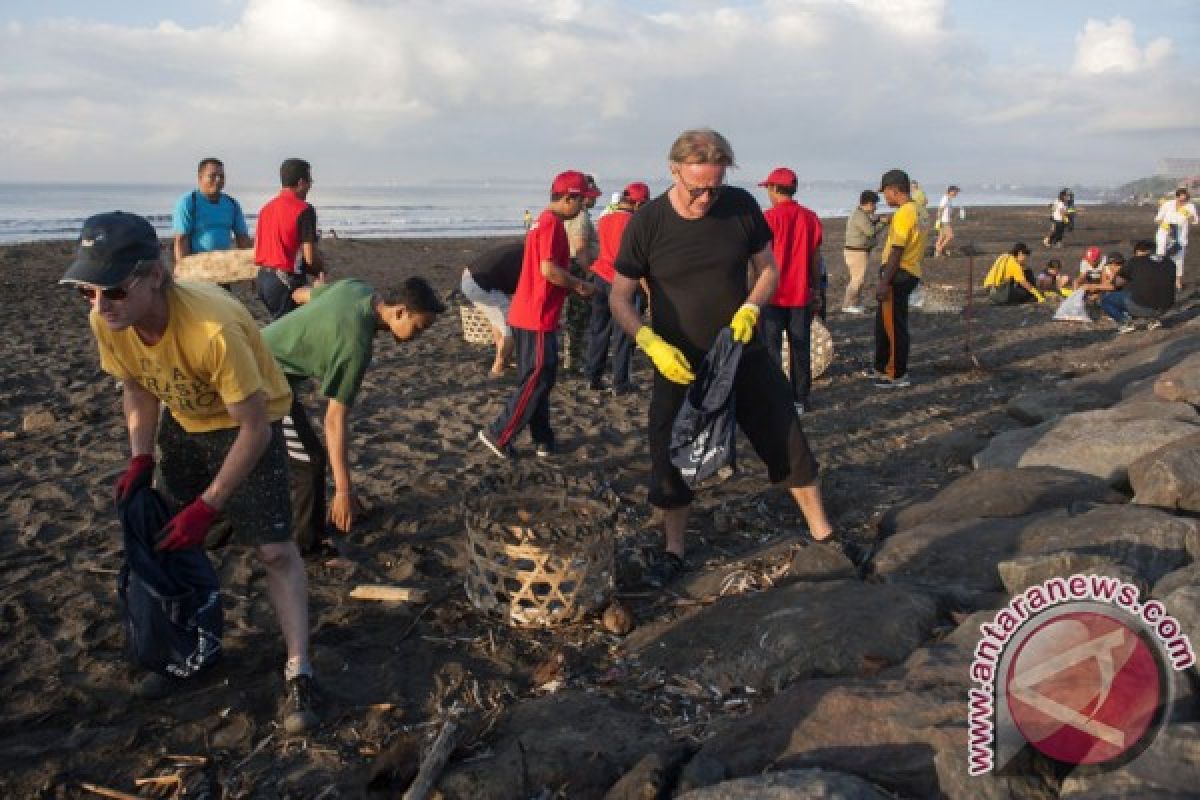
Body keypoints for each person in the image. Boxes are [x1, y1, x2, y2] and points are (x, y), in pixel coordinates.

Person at [61, 211, 318, 733]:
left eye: (111, 291)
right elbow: (136, 387)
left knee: (272, 550)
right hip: (183, 420)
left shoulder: (212, 327)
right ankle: (192, 649)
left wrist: (210, 503)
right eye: (87, 292)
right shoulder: (106, 321)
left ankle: (300, 669)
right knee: (174, 546)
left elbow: (255, 430)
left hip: (252, 421)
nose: (99, 306)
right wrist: (141, 456)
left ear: (154, 274)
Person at [608, 128, 849, 588]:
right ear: (674, 169)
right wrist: (649, 342)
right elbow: (620, 298)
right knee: (669, 452)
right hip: (677, 357)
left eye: (713, 186)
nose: (705, 198)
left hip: (742, 349)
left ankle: (823, 533)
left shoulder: (740, 206)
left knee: (786, 435)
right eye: (697, 187)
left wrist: (751, 307)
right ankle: (675, 550)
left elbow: (769, 270)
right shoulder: (649, 222)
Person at [262, 276, 445, 555]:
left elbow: (303, 295)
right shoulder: (356, 346)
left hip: (259, 354)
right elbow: (334, 419)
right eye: (419, 328)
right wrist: (343, 491)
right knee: (310, 461)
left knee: (288, 455)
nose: (417, 338)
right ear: (399, 312)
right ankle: (308, 548)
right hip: (262, 380)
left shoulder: (358, 288)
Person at [477, 171, 595, 459]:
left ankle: (543, 438)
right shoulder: (552, 224)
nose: (584, 207)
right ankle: (499, 432)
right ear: (568, 198)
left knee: (538, 376)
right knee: (539, 376)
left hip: (528, 311)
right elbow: (548, 270)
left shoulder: (543, 221)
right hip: (536, 314)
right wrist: (579, 284)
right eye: (582, 201)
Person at [758, 167, 823, 415]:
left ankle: (778, 398)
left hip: (773, 295)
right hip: (800, 295)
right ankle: (801, 399)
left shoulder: (769, 218)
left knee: (772, 349)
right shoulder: (810, 217)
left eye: (768, 189)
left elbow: (759, 261)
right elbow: (816, 259)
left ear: (774, 189)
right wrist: (816, 289)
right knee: (800, 348)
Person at [584, 181, 650, 394]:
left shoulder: (605, 218)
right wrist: (649, 291)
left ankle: (593, 377)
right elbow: (640, 259)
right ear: (639, 204)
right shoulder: (635, 223)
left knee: (599, 330)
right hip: (623, 282)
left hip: (601, 276)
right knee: (624, 334)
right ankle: (620, 382)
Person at [873, 169, 927, 389]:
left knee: (894, 327)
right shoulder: (920, 210)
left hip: (899, 273)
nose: (885, 198)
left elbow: (897, 249)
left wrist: (885, 281)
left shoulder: (905, 212)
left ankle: (896, 373)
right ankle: (882, 365)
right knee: (885, 323)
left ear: (894, 190)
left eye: (885, 192)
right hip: (910, 270)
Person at [255, 158, 325, 320]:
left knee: (281, 325)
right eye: (310, 181)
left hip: (263, 279)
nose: (310, 187)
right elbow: (310, 257)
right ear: (301, 182)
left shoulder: (266, 208)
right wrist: (321, 269)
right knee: (296, 331)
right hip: (285, 280)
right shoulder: (304, 209)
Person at [171, 158, 252, 281]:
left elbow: (243, 238)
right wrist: (182, 272)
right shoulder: (189, 202)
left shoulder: (231, 204)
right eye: (213, 176)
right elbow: (181, 240)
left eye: (221, 176)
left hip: (223, 272)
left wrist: (250, 269)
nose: (218, 180)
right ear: (200, 178)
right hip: (197, 272)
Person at [461, 241, 524, 377]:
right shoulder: (531, 256)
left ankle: (501, 358)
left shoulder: (520, 248)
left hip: (470, 278)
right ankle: (498, 367)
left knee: (498, 320)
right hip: (479, 284)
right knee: (512, 326)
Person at [561, 174, 602, 373]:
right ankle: (574, 361)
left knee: (575, 318)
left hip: (570, 266)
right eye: (592, 196)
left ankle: (573, 358)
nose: (595, 199)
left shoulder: (573, 215)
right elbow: (581, 250)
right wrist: (588, 275)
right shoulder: (581, 217)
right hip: (577, 268)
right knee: (579, 318)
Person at [1100, 240, 1176, 333]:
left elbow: (1116, 284)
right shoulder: (1169, 262)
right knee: (1148, 292)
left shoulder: (1135, 261)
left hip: (1143, 306)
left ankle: (1125, 323)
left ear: (1138, 251)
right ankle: (1153, 320)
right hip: (1166, 306)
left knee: (1106, 300)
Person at [842, 190, 887, 313]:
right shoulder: (859, 215)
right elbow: (870, 231)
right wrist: (883, 223)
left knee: (858, 279)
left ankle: (855, 303)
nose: (875, 208)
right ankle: (848, 305)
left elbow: (869, 225)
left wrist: (877, 220)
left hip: (858, 251)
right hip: (856, 252)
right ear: (867, 204)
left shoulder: (861, 214)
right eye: (874, 205)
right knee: (857, 279)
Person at [1155, 188, 1197, 291]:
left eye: (1185, 199)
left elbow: (1195, 221)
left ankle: (1178, 283)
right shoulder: (1168, 204)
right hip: (1165, 234)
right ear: (1176, 197)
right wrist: (1165, 225)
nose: (1183, 202)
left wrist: (1187, 214)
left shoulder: (1190, 206)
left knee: (1178, 260)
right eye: (1181, 199)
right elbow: (1158, 219)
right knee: (1161, 256)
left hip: (1180, 237)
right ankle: (1160, 281)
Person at [934, 185, 960, 258]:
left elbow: (947, 210)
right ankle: (940, 249)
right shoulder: (945, 199)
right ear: (951, 191)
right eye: (956, 192)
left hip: (946, 220)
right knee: (950, 236)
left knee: (941, 237)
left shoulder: (949, 199)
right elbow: (940, 209)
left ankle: (937, 253)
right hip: (944, 221)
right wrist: (938, 220)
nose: (956, 194)